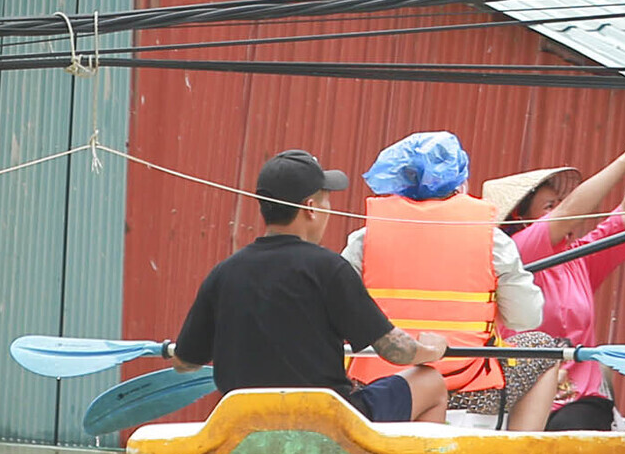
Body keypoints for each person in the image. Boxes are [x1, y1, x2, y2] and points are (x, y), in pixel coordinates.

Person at [168, 149, 450, 424]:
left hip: (245, 423)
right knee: (432, 382)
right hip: (327, 423)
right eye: (326, 200)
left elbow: (184, 362)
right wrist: (431, 349)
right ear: (311, 209)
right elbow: (395, 351)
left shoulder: (223, 274)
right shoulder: (329, 269)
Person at [341, 131, 558, 431]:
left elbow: (337, 315)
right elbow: (526, 318)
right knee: (544, 347)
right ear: (460, 181)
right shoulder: (492, 240)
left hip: (383, 386)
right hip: (471, 388)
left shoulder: (364, 239)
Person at [491, 105, 625, 432]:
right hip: (519, 397)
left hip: (580, 397)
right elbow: (569, 213)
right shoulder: (517, 251)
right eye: (548, 207)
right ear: (522, 219)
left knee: (572, 428)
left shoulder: (579, 256)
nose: (558, 211)